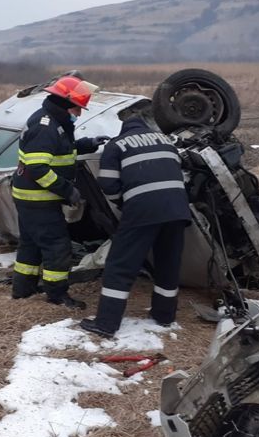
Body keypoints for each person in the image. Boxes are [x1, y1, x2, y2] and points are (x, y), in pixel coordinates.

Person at [79, 115, 190, 338]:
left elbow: (108, 185)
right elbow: (182, 174)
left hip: (143, 209)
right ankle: (164, 315)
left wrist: (124, 201)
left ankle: (106, 323)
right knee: (168, 262)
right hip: (178, 209)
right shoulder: (166, 141)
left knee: (120, 264)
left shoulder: (116, 145)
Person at [10, 74, 107, 309]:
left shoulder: (53, 122)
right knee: (57, 246)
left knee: (31, 244)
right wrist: (67, 190)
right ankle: (57, 295)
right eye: (77, 108)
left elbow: (61, 149)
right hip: (38, 199)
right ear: (65, 103)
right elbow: (37, 168)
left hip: (29, 197)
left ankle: (23, 289)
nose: (79, 113)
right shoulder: (46, 126)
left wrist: (88, 143)